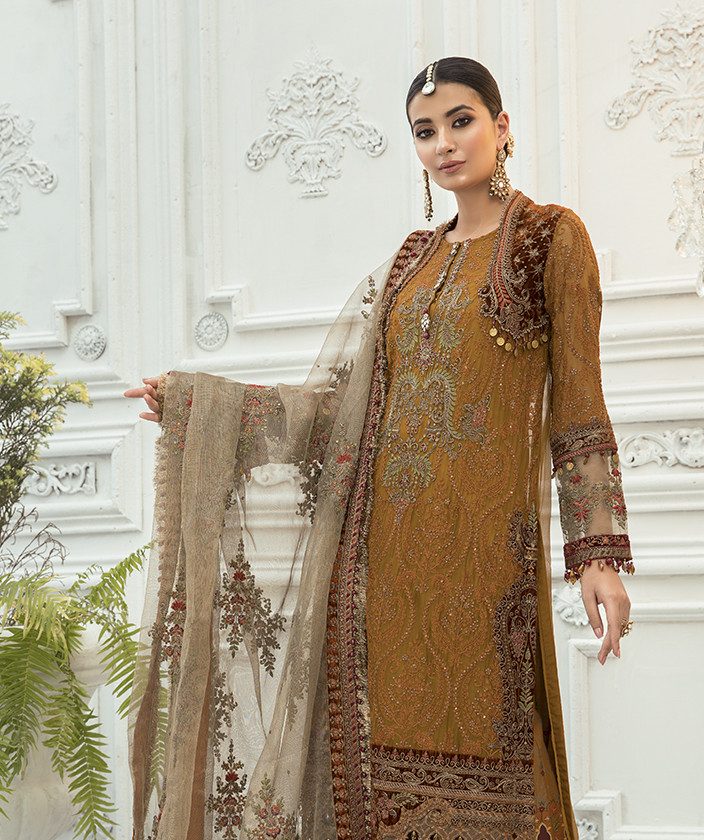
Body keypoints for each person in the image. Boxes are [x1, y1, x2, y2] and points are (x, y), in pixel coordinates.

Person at [124, 56, 634, 840]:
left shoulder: (549, 239)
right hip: (382, 567)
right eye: (425, 132)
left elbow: (578, 403)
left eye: (461, 121)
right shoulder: (409, 262)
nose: (444, 144)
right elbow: (343, 412)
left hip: (487, 563)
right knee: (380, 775)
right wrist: (202, 404)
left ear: (502, 127)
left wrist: (596, 554)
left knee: (503, 764)